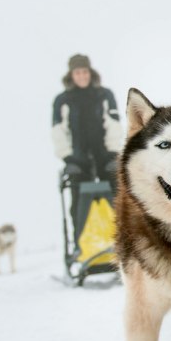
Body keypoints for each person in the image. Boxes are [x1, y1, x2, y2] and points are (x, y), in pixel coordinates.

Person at [51, 54, 122, 222]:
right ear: (71, 75)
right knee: (79, 203)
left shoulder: (104, 95)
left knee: (115, 197)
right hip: (77, 158)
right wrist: (68, 158)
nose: (82, 76)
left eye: (85, 72)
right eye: (77, 73)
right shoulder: (62, 100)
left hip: (104, 155)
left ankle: (119, 233)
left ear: (90, 72)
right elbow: (58, 131)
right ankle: (81, 236)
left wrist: (112, 153)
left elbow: (114, 125)